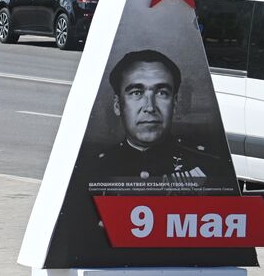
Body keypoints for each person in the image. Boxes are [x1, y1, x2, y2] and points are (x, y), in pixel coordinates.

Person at [86, 49, 225, 187]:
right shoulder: (92, 169)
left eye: (162, 93)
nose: (150, 107)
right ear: (117, 105)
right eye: (136, 93)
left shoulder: (209, 164)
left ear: (174, 103)